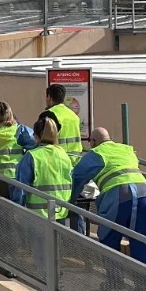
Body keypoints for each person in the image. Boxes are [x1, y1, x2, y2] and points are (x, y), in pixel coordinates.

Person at [71, 127, 146, 291]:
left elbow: (77, 177)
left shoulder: (96, 153)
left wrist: (70, 201)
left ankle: (115, 281)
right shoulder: (126, 149)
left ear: (93, 142)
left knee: (109, 238)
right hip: (144, 193)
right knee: (142, 241)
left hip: (119, 194)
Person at [13, 112, 73, 274]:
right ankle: (55, 278)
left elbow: (21, 187)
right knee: (55, 250)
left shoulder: (32, 156)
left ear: (36, 136)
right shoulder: (63, 155)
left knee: (41, 252)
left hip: (38, 213)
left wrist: (16, 209)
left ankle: (46, 282)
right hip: (60, 212)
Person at [0, 101, 36, 276]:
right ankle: (15, 258)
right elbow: (34, 144)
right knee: (13, 219)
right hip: (14, 180)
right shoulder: (19, 131)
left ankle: (0, 258)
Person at [45, 83, 85, 233]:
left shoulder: (50, 115)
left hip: (56, 164)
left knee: (57, 205)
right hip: (74, 163)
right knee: (74, 205)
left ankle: (58, 240)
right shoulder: (73, 115)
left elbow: (45, 138)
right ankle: (79, 241)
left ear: (49, 97)